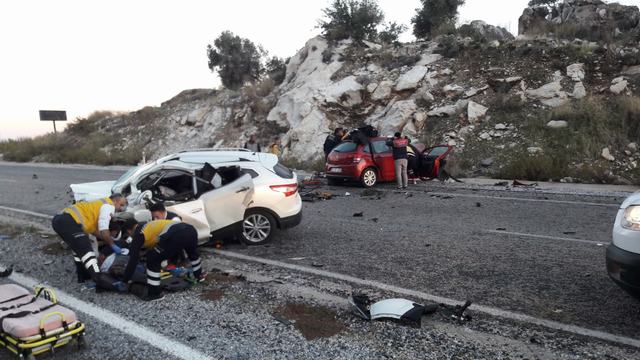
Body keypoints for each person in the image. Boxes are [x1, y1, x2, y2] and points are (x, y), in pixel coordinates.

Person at [120, 219, 205, 301]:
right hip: (191, 229)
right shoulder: (147, 225)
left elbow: (133, 260)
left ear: (129, 231)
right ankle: (199, 276)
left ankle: (154, 294)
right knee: (193, 254)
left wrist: (124, 280)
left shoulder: (139, 233)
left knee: (152, 260)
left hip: (176, 234)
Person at [52, 194, 127, 284]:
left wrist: (109, 239)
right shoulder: (108, 206)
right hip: (69, 220)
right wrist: (112, 244)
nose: (121, 209)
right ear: (114, 201)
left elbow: (96, 232)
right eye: (121, 205)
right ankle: (100, 280)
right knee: (87, 251)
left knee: (78, 250)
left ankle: (83, 277)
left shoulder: (97, 205)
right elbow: (104, 229)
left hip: (60, 220)